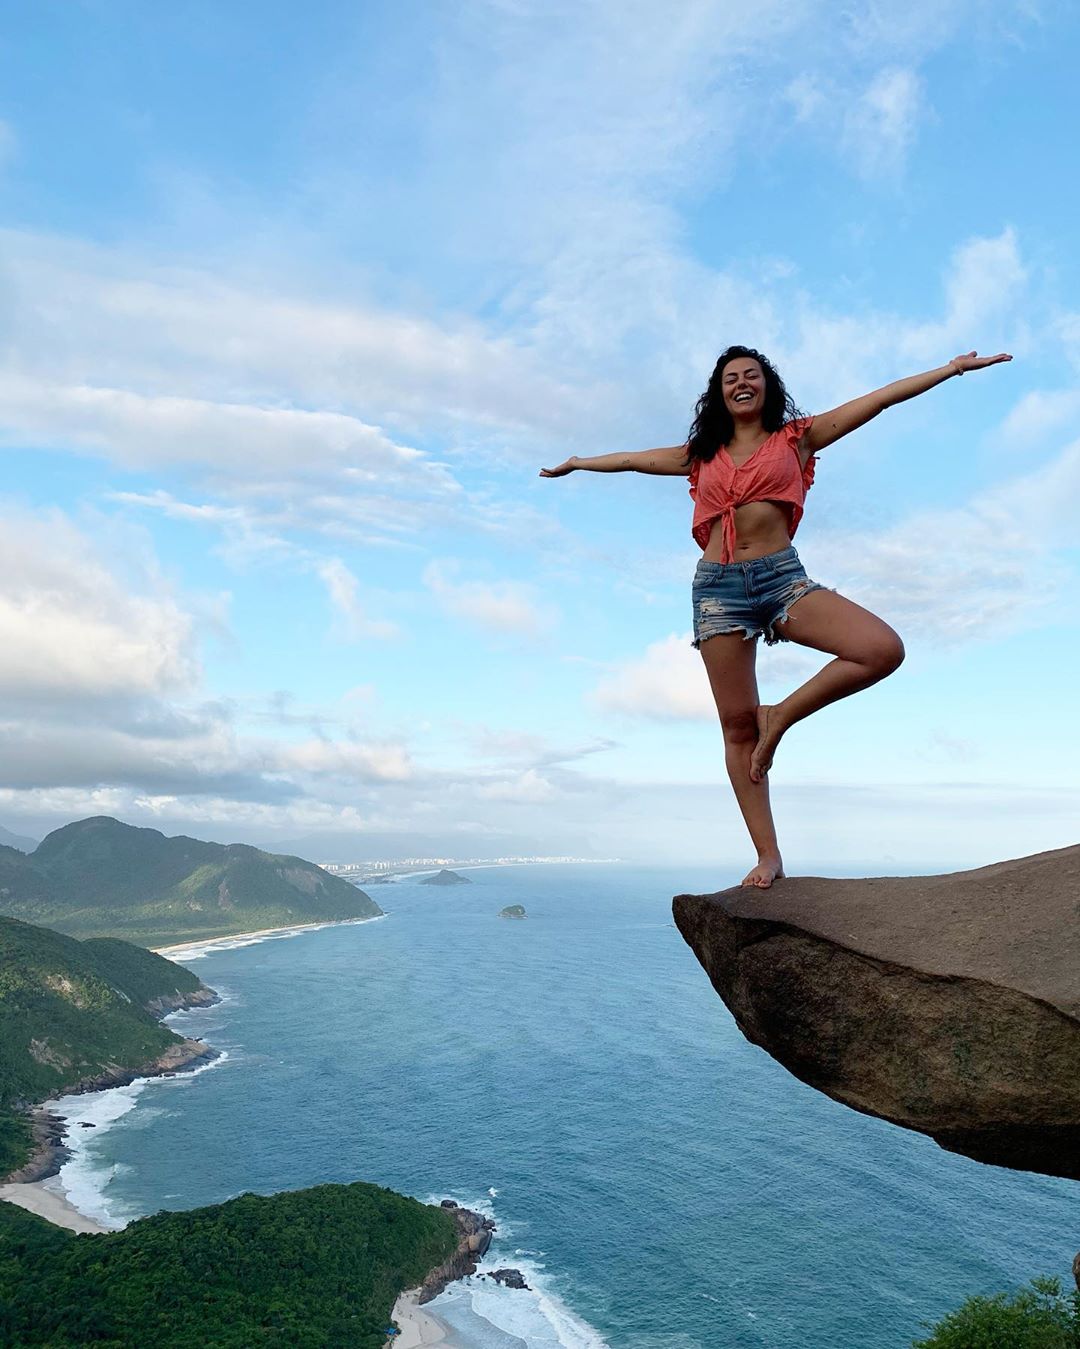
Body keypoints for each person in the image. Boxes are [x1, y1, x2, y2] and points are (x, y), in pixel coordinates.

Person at [540, 345, 1011, 888]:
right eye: (730, 378)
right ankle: (769, 856)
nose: (741, 383)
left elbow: (879, 400)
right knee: (736, 727)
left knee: (881, 649)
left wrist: (950, 370)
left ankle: (780, 715)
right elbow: (630, 460)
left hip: (781, 579)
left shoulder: (798, 437)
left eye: (751, 375)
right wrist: (579, 463)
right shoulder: (700, 453)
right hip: (718, 590)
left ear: (767, 385)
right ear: (719, 393)